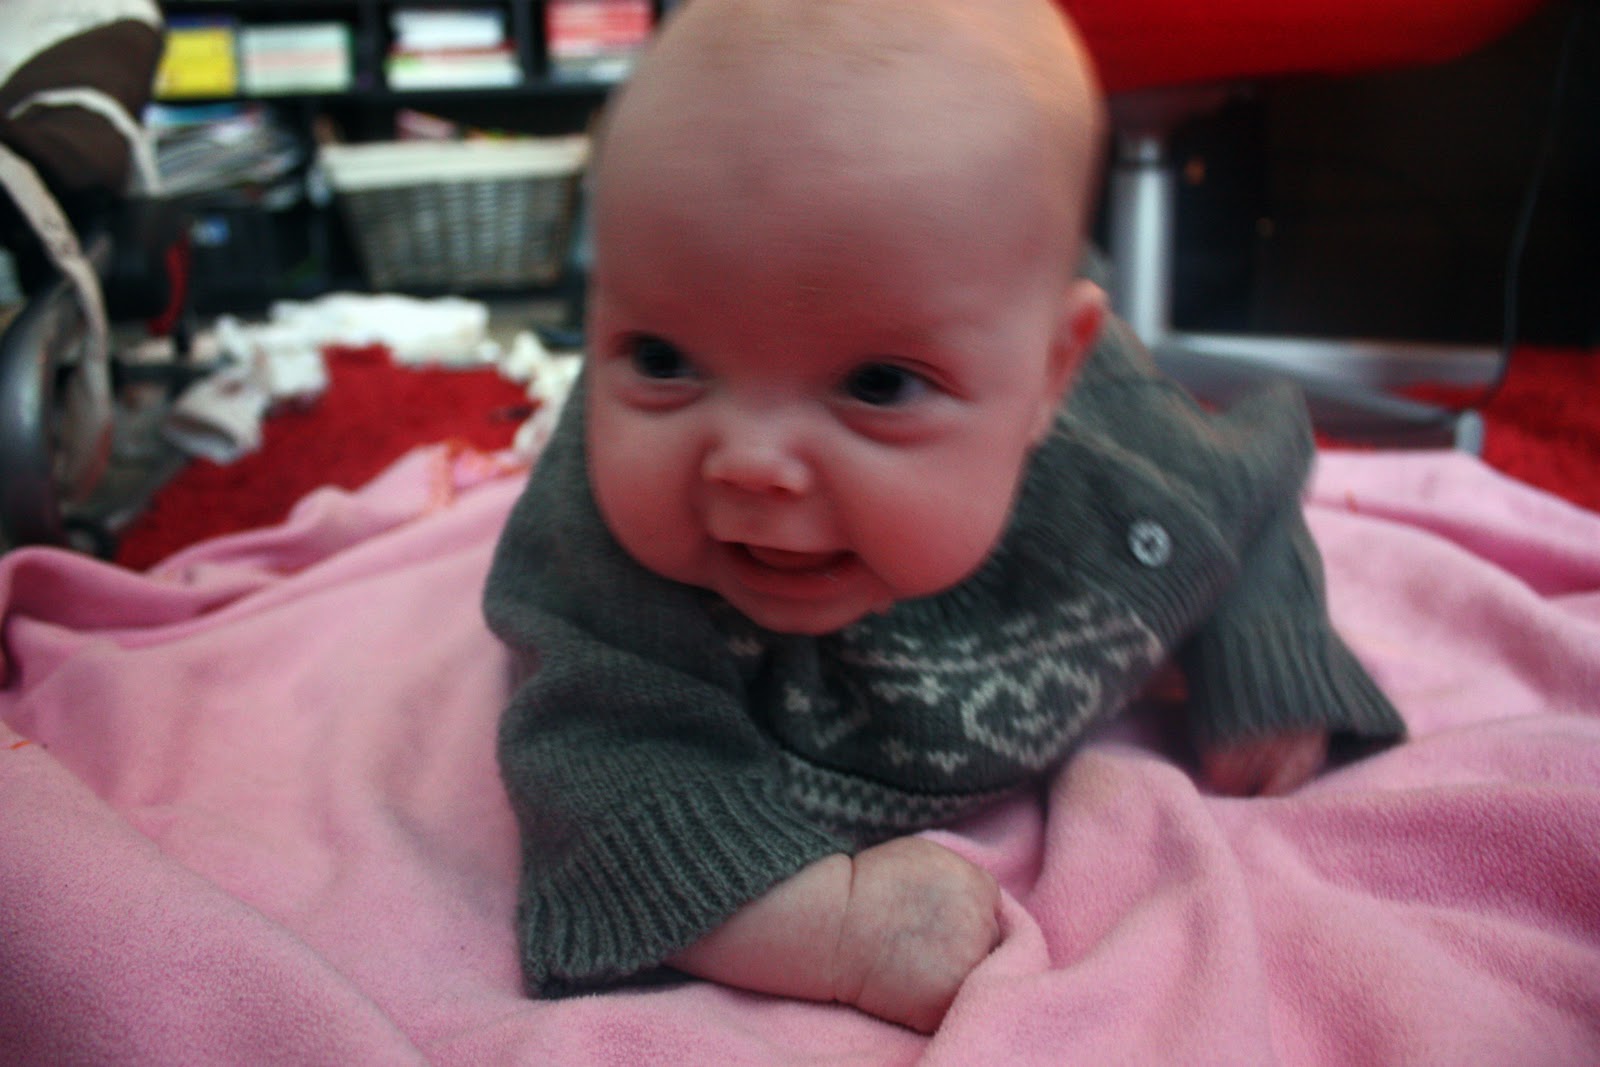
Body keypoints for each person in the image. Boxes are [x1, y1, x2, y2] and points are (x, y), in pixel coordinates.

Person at [483, 0, 1404, 1034]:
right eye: (661, 359)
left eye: (877, 384)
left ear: (1051, 376)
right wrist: (830, 925)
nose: (750, 462)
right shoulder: (601, 544)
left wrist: (1265, 645)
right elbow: (605, 770)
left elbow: (1251, 492)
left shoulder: (1122, 463)